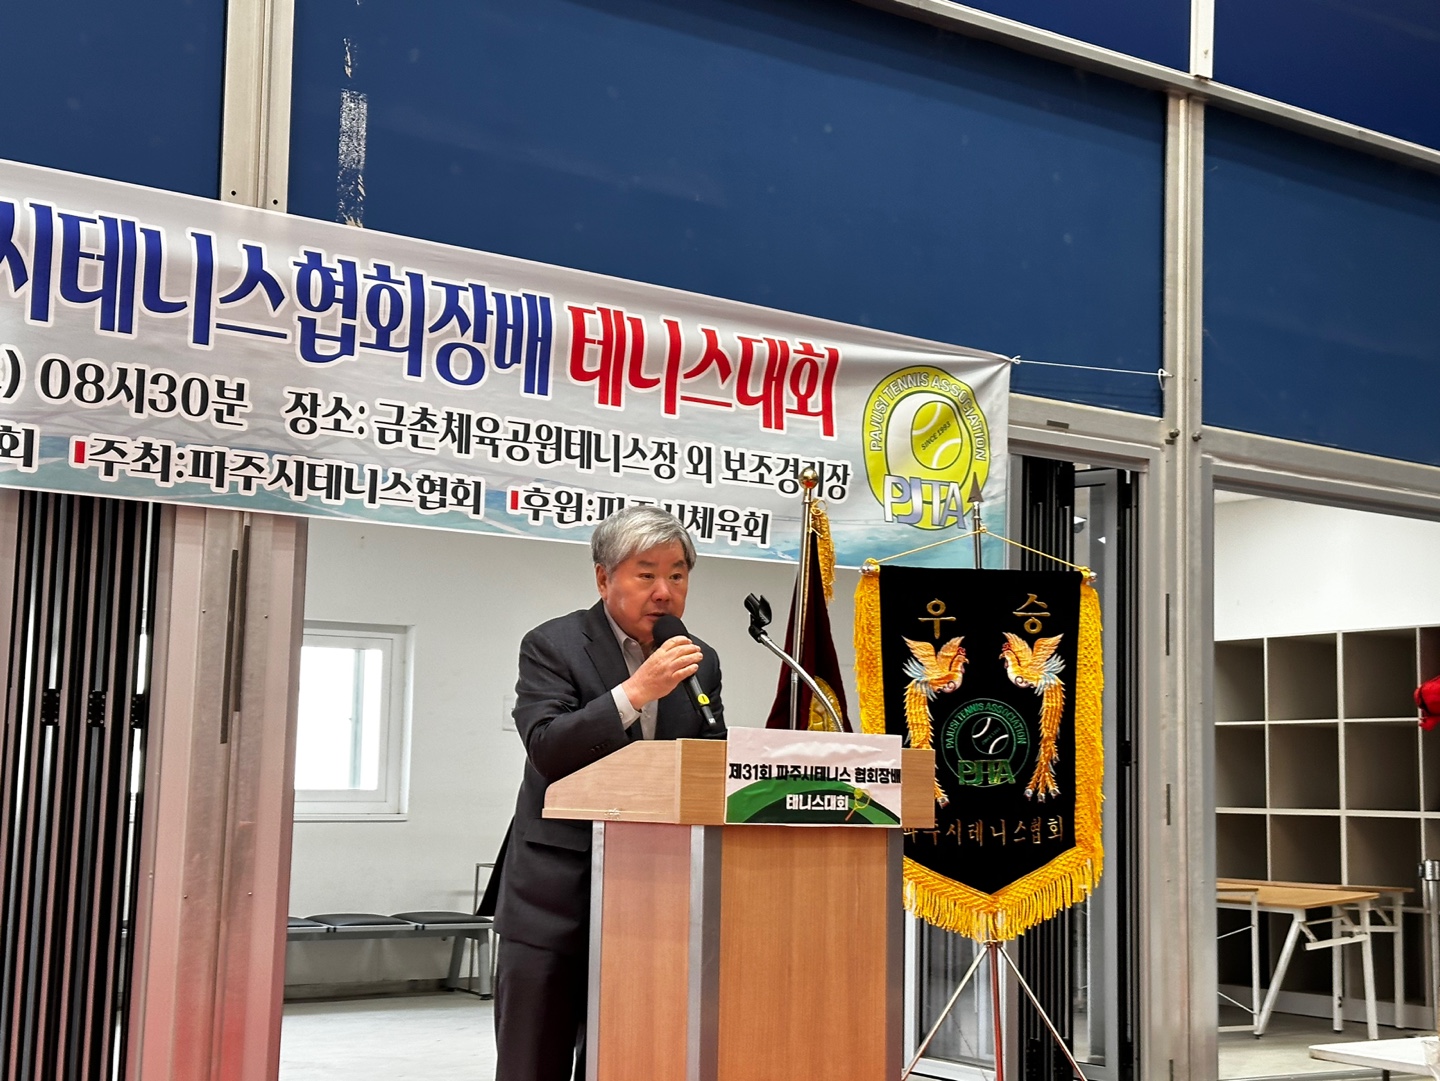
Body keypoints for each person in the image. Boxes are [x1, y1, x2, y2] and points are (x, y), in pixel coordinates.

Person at [492, 506, 726, 1081]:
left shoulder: (699, 659)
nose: (664, 591)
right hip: (554, 893)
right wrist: (634, 693)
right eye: (646, 574)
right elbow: (547, 747)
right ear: (603, 578)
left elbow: (709, 762)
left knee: (629, 1056)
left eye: (677, 575)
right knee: (533, 1061)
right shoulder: (553, 644)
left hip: (657, 897)